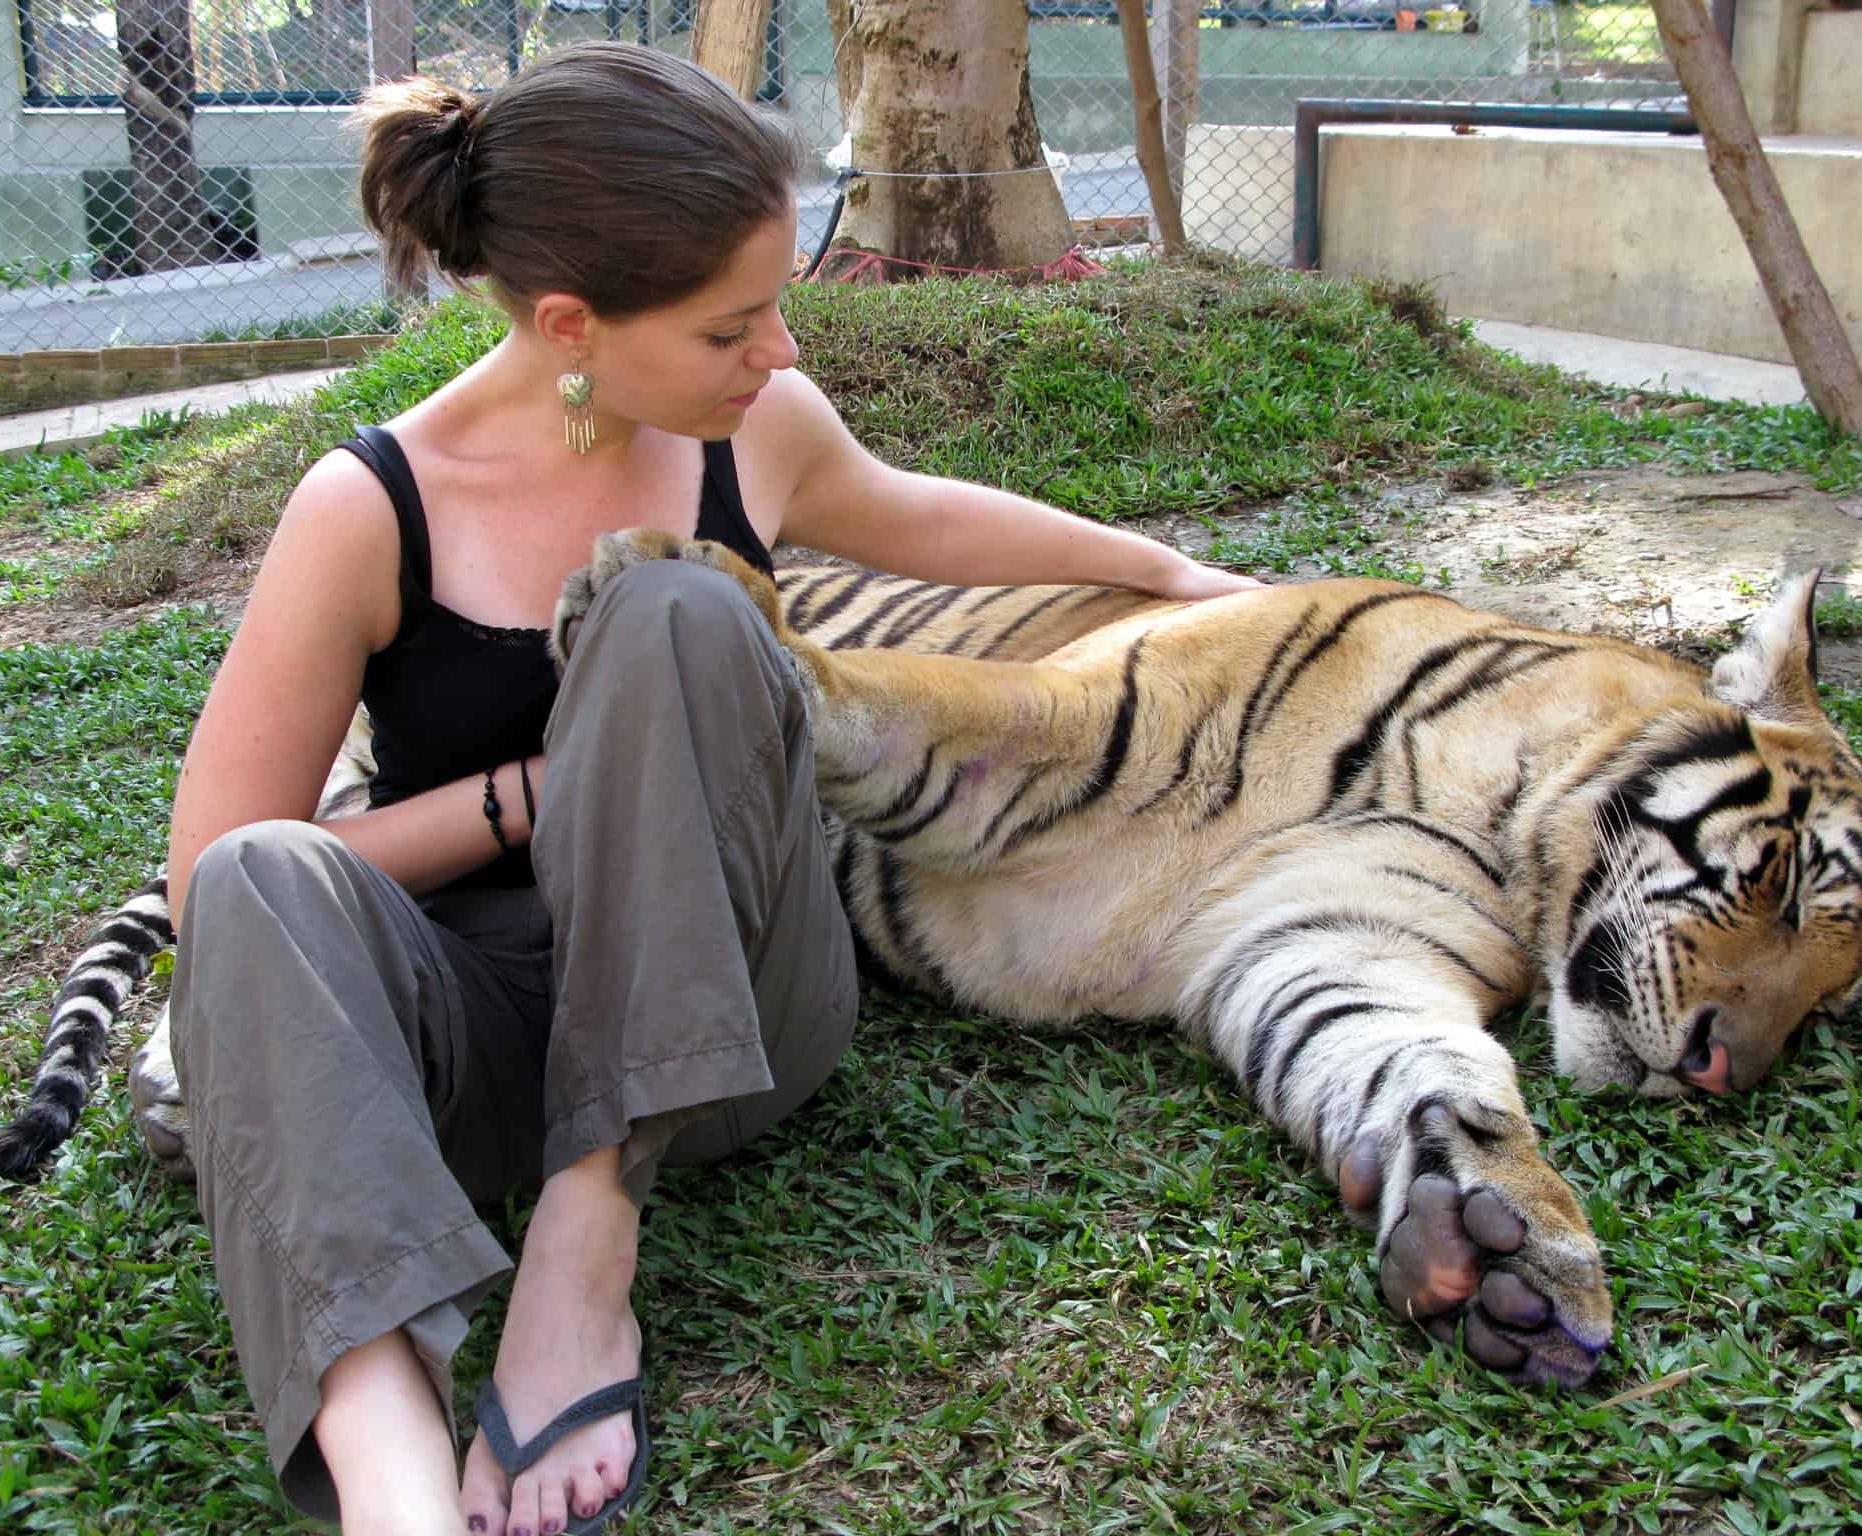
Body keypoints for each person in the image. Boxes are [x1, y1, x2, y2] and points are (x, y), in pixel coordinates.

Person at [164, 39, 1257, 1536]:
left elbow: (916, 516)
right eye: (734, 325)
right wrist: (541, 794)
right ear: (571, 327)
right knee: (254, 879)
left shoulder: (749, 433)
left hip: (732, 1010)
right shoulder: (369, 507)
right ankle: (384, 1458)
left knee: (673, 607)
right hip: (479, 1039)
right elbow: (215, 875)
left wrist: (1162, 567)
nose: (783, 355)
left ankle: (584, 1242)